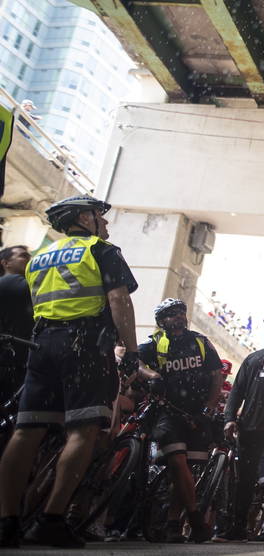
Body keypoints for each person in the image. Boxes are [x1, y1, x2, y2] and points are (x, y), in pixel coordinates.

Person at [0, 196, 139, 548]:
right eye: (99, 217)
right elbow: (119, 300)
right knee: (83, 430)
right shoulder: (101, 250)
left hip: (41, 344)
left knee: (26, 430)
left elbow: (35, 305)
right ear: (83, 217)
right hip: (84, 345)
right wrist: (132, 351)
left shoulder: (39, 258)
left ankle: (7, 521)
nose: (104, 224)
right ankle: (51, 518)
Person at [137, 298, 223, 543]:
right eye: (171, 314)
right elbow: (132, 359)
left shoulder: (201, 342)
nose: (178, 317)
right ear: (161, 321)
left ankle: (174, 523)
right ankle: (195, 518)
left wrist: (209, 407)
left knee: (185, 471)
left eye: (181, 313)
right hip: (168, 413)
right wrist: (151, 373)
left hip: (197, 414)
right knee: (177, 462)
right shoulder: (155, 344)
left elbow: (216, 375)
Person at [214, 318, 264, 544]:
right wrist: (229, 419)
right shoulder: (253, 359)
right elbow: (237, 392)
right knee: (243, 481)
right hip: (250, 428)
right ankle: (237, 528)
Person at [0, 245, 32, 404]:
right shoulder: (12, 282)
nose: (29, 259)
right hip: (12, 362)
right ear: (6, 263)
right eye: (23, 256)